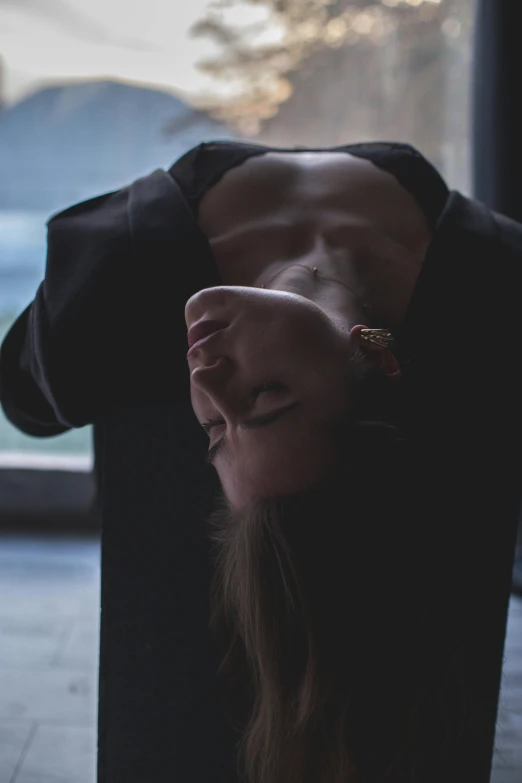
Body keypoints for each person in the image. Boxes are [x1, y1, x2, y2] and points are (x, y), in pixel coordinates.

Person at [1, 140, 522, 782]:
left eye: (214, 430)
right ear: (374, 358)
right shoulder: (486, 271)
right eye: (267, 399)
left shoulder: (123, 271)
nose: (208, 380)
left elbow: (27, 398)